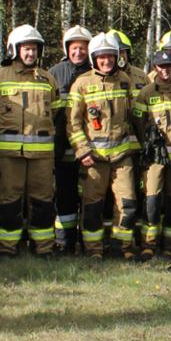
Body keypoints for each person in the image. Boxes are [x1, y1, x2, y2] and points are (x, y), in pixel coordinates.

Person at [0, 25, 60, 255]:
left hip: (42, 157)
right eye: (26, 49)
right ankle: (8, 247)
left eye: (35, 49)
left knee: (43, 201)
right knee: (10, 200)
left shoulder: (47, 79)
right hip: (9, 156)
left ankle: (43, 247)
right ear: (14, 50)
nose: (31, 54)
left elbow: (56, 112)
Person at [67, 33, 142, 258]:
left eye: (111, 57)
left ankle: (123, 248)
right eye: (102, 57)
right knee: (92, 206)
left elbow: (135, 116)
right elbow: (73, 123)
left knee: (127, 202)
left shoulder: (125, 81)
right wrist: (82, 151)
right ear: (94, 58)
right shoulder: (82, 84)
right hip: (94, 159)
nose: (107, 61)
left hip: (123, 156)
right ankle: (93, 249)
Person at [134, 49, 171, 261]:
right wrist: (148, 142)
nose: (165, 71)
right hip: (155, 158)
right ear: (155, 68)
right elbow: (138, 122)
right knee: (152, 202)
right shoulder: (146, 93)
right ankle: (148, 245)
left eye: (168, 66)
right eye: (161, 67)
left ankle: (170, 245)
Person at [48, 25, 93, 252]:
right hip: (62, 149)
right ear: (67, 49)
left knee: (90, 196)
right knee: (64, 195)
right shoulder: (55, 73)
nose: (79, 53)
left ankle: (89, 241)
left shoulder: (96, 73)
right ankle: (64, 241)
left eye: (83, 48)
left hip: (90, 150)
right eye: (74, 48)